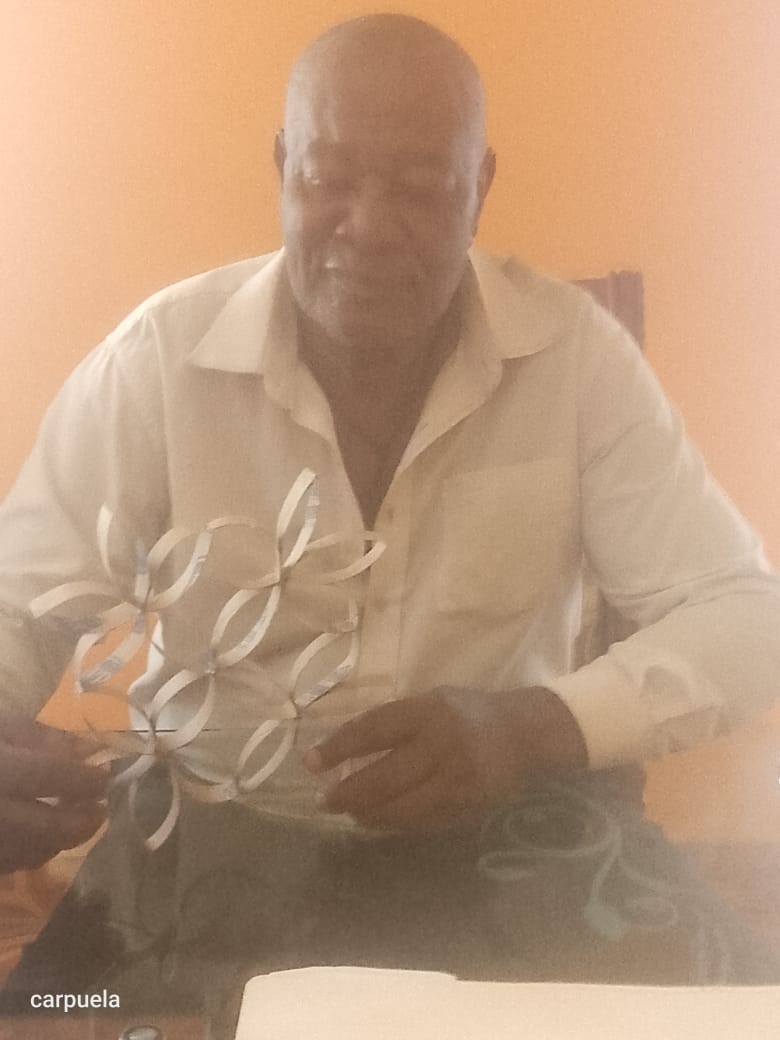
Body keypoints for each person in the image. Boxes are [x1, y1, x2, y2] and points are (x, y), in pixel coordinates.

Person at [1, 13, 779, 878]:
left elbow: (749, 619)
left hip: (504, 845)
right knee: (87, 969)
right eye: (326, 178)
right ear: (282, 168)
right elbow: (18, 606)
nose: (368, 226)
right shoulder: (156, 363)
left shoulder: (576, 362)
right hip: (204, 848)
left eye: (420, 188)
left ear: (480, 187)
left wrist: (530, 728)